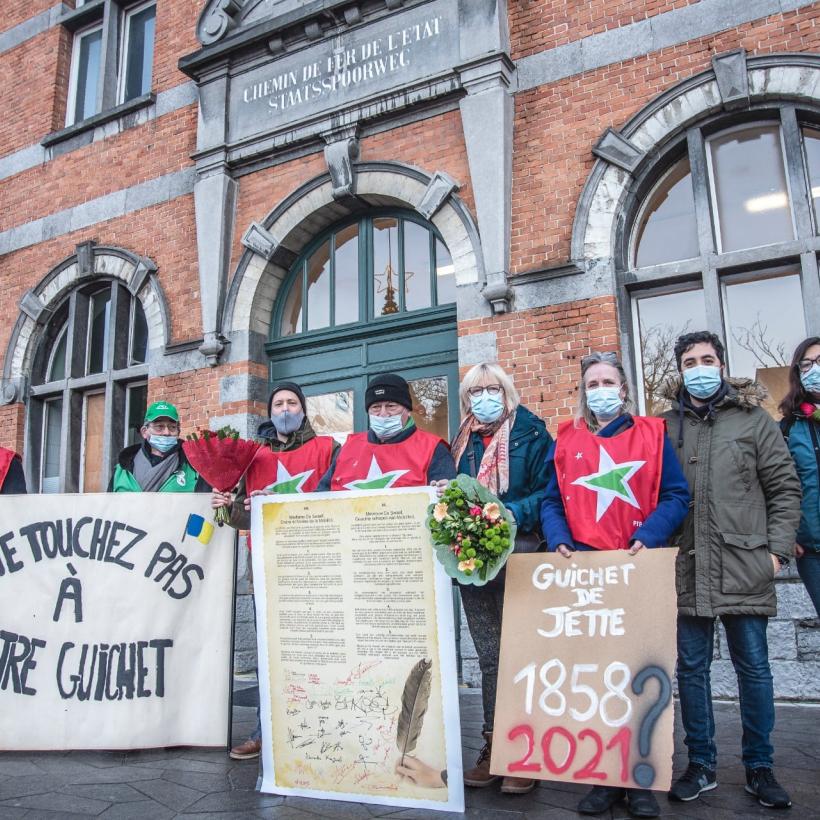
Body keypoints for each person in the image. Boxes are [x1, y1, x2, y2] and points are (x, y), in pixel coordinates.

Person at [540, 351, 689, 818]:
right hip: (586, 572)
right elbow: (550, 500)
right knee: (596, 678)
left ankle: (640, 780)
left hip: (635, 567)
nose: (600, 389)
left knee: (639, 675)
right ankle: (603, 776)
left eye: (608, 381)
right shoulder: (565, 440)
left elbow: (677, 494)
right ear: (583, 392)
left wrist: (649, 535)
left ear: (623, 389)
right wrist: (560, 539)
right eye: (592, 383)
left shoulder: (652, 434)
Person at [662, 331, 801, 810]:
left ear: (721, 365)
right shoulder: (664, 427)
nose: (699, 368)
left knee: (754, 669)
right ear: (679, 370)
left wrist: (777, 553)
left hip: (747, 562)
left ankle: (760, 767)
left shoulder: (753, 422)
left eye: (707, 359)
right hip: (685, 565)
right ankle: (700, 763)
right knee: (693, 670)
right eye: (689, 361)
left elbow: (785, 489)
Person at [211, 381, 339, 760]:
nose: (285, 409)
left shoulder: (329, 448)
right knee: (271, 655)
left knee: (319, 652)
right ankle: (265, 731)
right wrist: (226, 504)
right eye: (279, 403)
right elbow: (240, 518)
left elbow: (344, 497)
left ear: (304, 408)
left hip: (317, 564)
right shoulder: (253, 457)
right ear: (269, 412)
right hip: (266, 566)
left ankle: (325, 728)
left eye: (292, 402)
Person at [451, 363, 552, 796]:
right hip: (474, 564)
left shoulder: (532, 433)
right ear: (466, 399)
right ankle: (493, 747)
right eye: (476, 391)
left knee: (522, 655)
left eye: (492, 389)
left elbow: (550, 491)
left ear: (507, 392)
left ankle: (524, 751)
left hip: (521, 557)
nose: (484, 397)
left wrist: (512, 513)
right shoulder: (460, 442)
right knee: (490, 657)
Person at [316, 372, 455, 490]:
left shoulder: (433, 448)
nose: (383, 414)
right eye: (375, 407)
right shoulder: (347, 448)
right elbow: (322, 495)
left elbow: (444, 506)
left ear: (407, 410)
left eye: (391, 406)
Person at [779, 337, 820, 618]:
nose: (813, 369)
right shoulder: (789, 426)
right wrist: (788, 534)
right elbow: (781, 485)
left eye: (819, 362)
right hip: (813, 550)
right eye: (806, 365)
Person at [109, 401, 209, 492]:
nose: (166, 432)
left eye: (172, 427)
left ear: (178, 432)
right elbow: (107, 507)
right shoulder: (121, 470)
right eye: (159, 427)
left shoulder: (194, 468)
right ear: (144, 432)